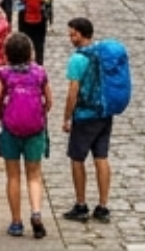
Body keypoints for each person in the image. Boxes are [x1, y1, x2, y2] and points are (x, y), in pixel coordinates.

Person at [0, 30, 51, 240]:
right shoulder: (39, 73)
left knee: (13, 176)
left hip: (10, 130)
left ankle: (16, 222)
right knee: (34, 174)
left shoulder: (3, 74)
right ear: (29, 52)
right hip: (35, 130)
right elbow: (48, 102)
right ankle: (36, 212)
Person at [59, 18, 114, 224]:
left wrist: (66, 117)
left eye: (73, 34)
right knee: (101, 158)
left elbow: (73, 91)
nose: (70, 37)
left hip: (84, 115)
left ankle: (81, 204)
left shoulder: (78, 59)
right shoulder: (102, 53)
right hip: (104, 113)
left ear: (82, 34)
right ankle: (103, 205)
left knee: (77, 158)